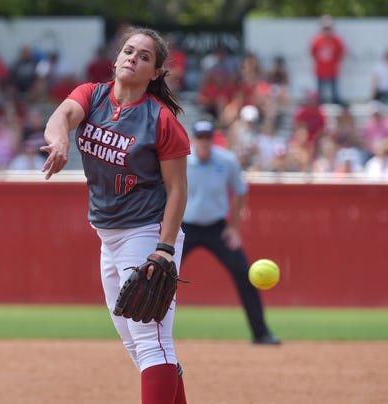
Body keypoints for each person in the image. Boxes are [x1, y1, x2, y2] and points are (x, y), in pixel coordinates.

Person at [40, 27, 190, 404]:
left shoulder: (160, 120)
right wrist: (59, 140)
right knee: (138, 343)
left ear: (155, 73)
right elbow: (61, 115)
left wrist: (165, 249)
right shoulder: (93, 96)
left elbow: (178, 191)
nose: (133, 58)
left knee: (151, 340)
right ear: (116, 58)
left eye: (144, 57)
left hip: (146, 232)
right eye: (129, 50)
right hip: (108, 235)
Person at [181, 119, 280, 345]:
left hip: (218, 228)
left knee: (244, 274)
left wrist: (234, 228)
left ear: (212, 139)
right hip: (184, 227)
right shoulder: (181, 160)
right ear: (194, 140)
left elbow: (240, 192)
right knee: (161, 275)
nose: (204, 143)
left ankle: (261, 333)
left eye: (208, 138)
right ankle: (144, 334)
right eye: (200, 138)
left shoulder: (227, 161)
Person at [309, 15, 345, 105]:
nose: (327, 30)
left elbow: (342, 52)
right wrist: (318, 61)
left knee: (335, 94)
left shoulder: (336, 40)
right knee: (319, 94)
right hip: (320, 70)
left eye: (329, 28)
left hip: (332, 70)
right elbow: (312, 51)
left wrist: (336, 62)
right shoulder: (317, 39)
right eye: (325, 28)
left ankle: (336, 108)